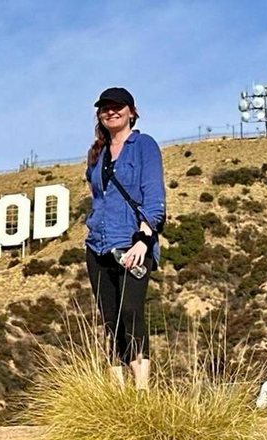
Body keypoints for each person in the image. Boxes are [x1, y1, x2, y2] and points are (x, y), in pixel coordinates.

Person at [83, 87, 166, 389]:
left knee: (131, 312)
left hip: (132, 243)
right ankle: (117, 394)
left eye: (117, 106)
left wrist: (144, 239)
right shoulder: (97, 156)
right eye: (104, 108)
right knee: (110, 319)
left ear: (132, 111)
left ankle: (142, 391)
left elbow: (154, 196)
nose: (110, 112)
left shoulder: (143, 145)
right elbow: (98, 198)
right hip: (98, 246)